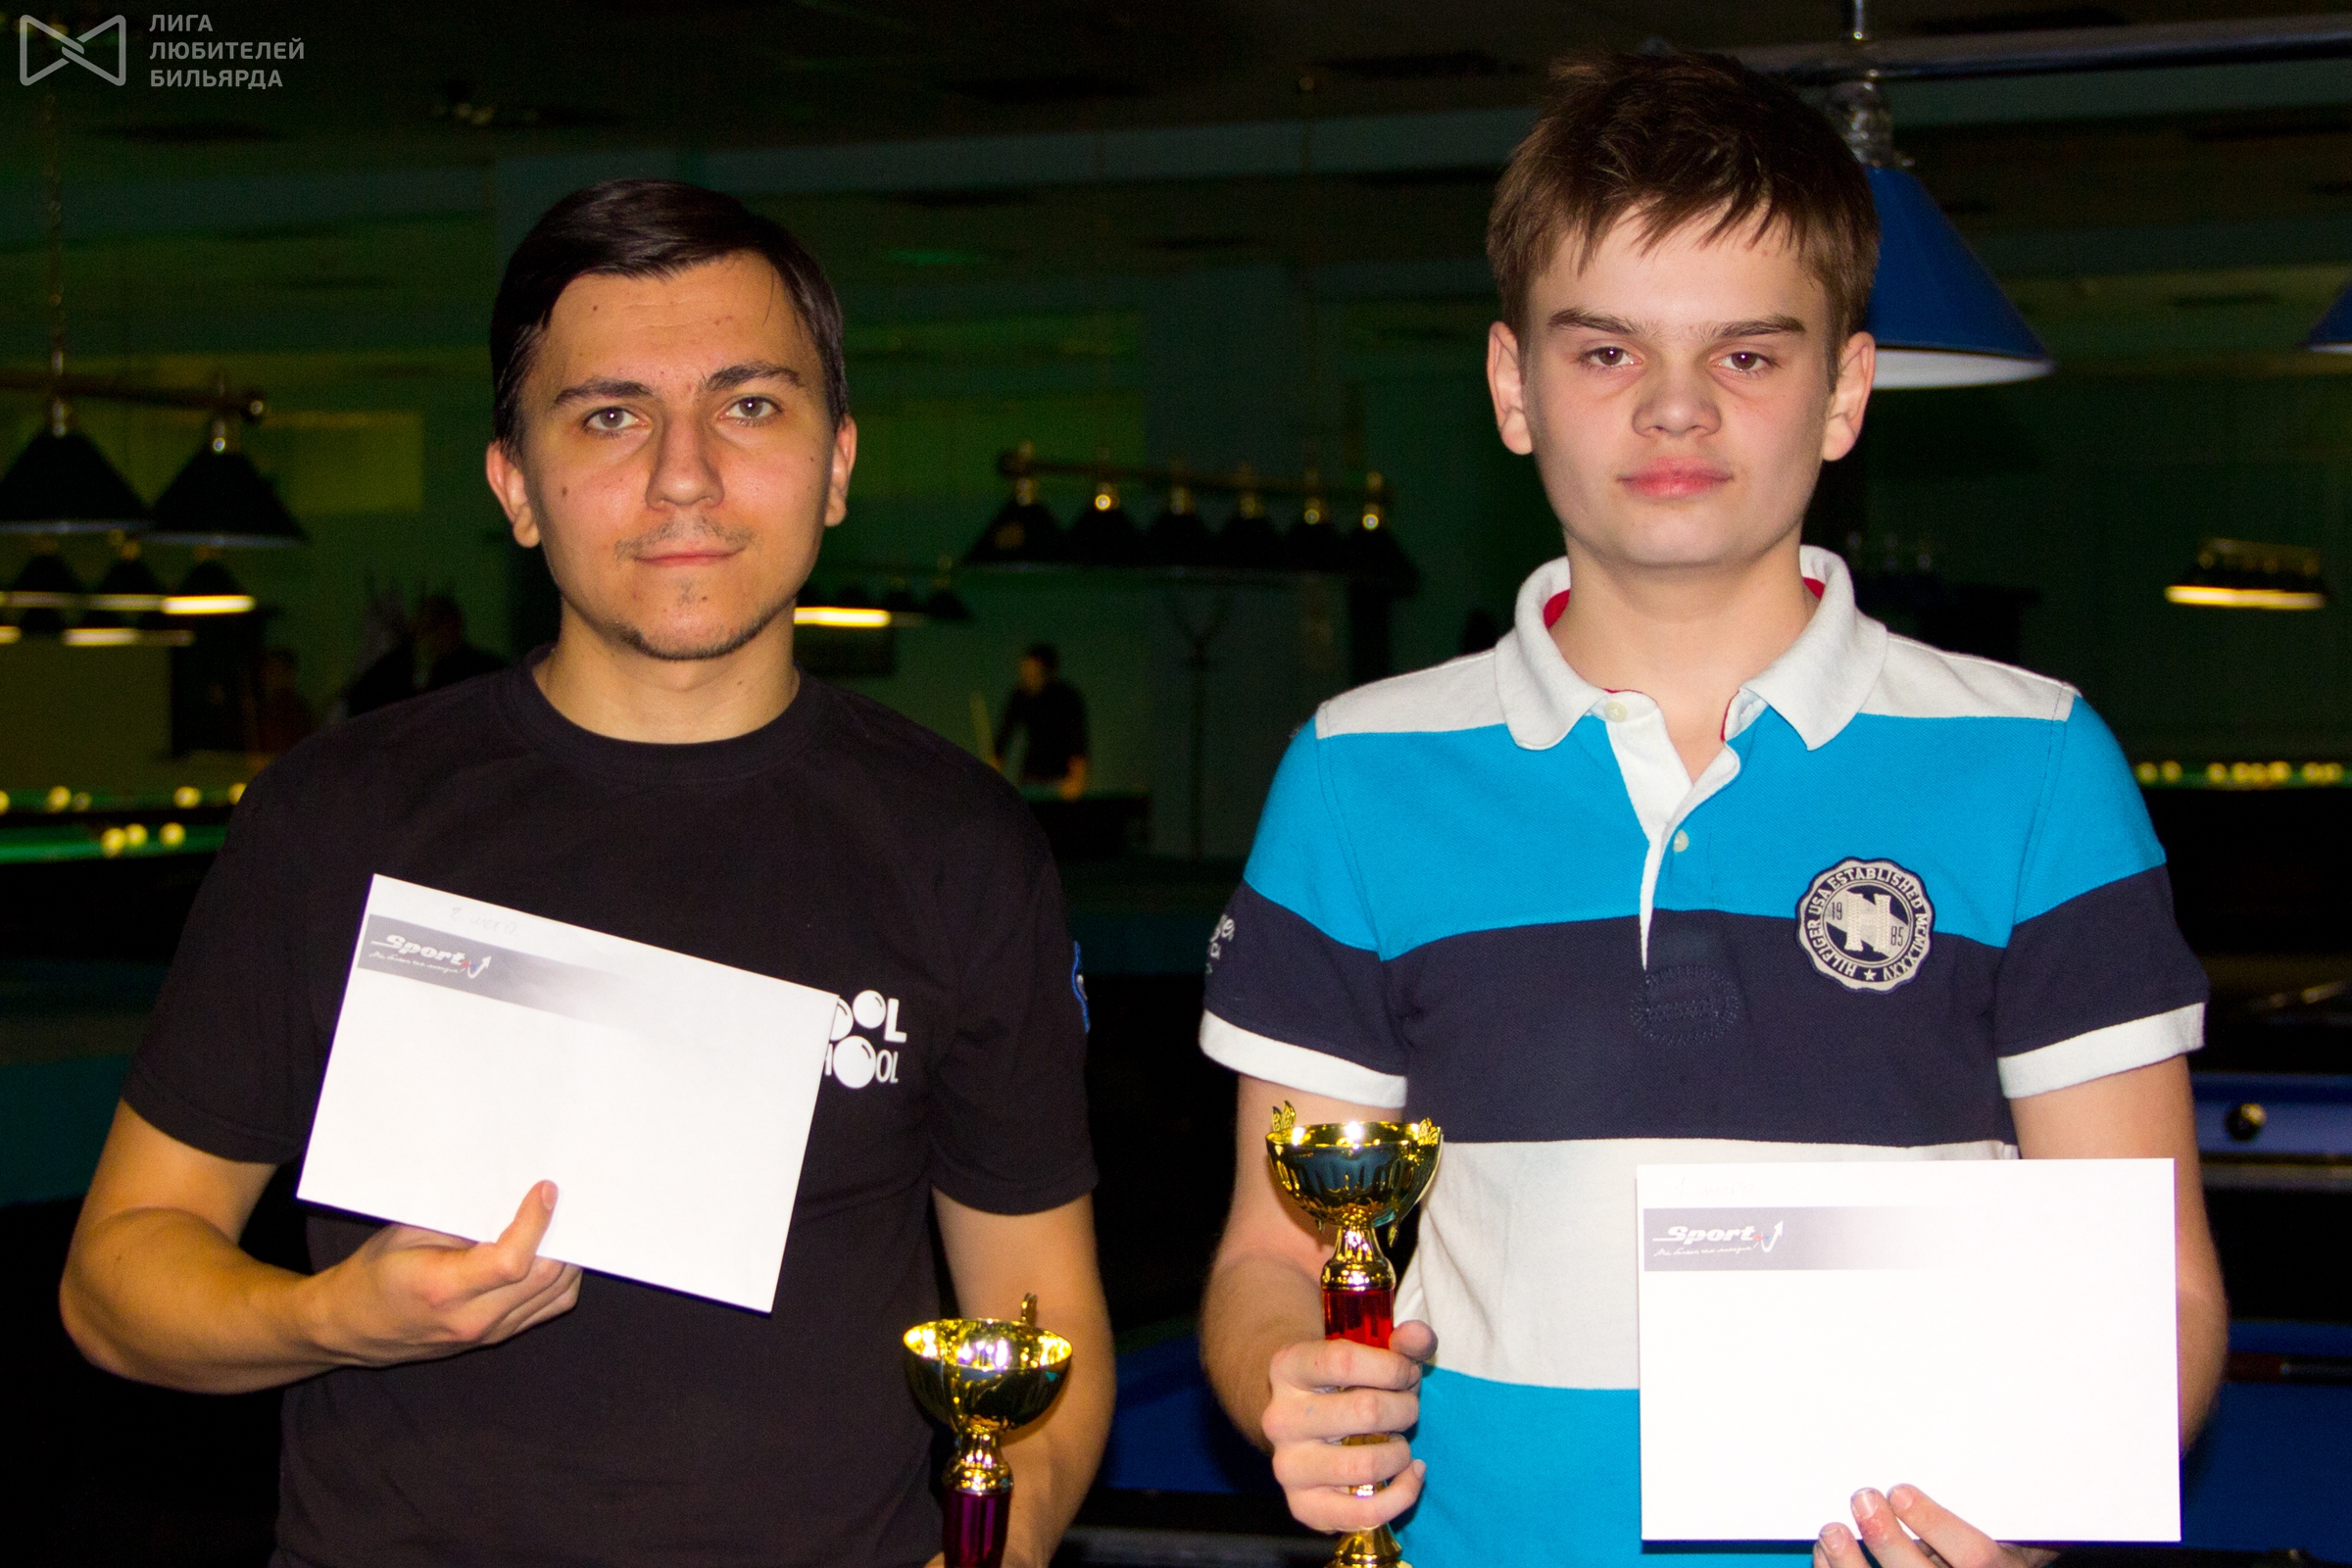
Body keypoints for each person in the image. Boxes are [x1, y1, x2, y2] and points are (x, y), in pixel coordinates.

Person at [1195, 51, 2226, 1568]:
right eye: (1607, 351)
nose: (1675, 409)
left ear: (1846, 392)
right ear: (1512, 387)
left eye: (1746, 355)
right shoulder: (1354, 775)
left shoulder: (2038, 765)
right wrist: (1283, 1378)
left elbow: (2157, 1293)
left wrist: (2034, 1510)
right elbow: (1272, 1254)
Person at [61, 178, 1112, 1568]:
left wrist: (996, 1549)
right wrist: (332, 1317)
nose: (684, 475)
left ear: (839, 463)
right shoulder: (338, 817)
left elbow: (1045, 1315)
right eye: (611, 416)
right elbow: (117, 1278)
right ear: (515, 486)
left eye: (750, 405)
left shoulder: (962, 848)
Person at [344, 592, 507, 716]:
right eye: (429, 626)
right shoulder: (390, 669)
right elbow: (358, 702)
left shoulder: (477, 669)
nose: (435, 636)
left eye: (442, 626)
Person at [996, 642, 1091, 801]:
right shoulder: (1020, 696)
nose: (1029, 679)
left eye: (1034, 673)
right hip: (1030, 779)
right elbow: (1003, 738)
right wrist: (991, 775)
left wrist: (1077, 780)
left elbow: (1077, 741)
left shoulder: (1066, 697)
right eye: (1026, 673)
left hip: (1060, 780)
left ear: (1048, 672)